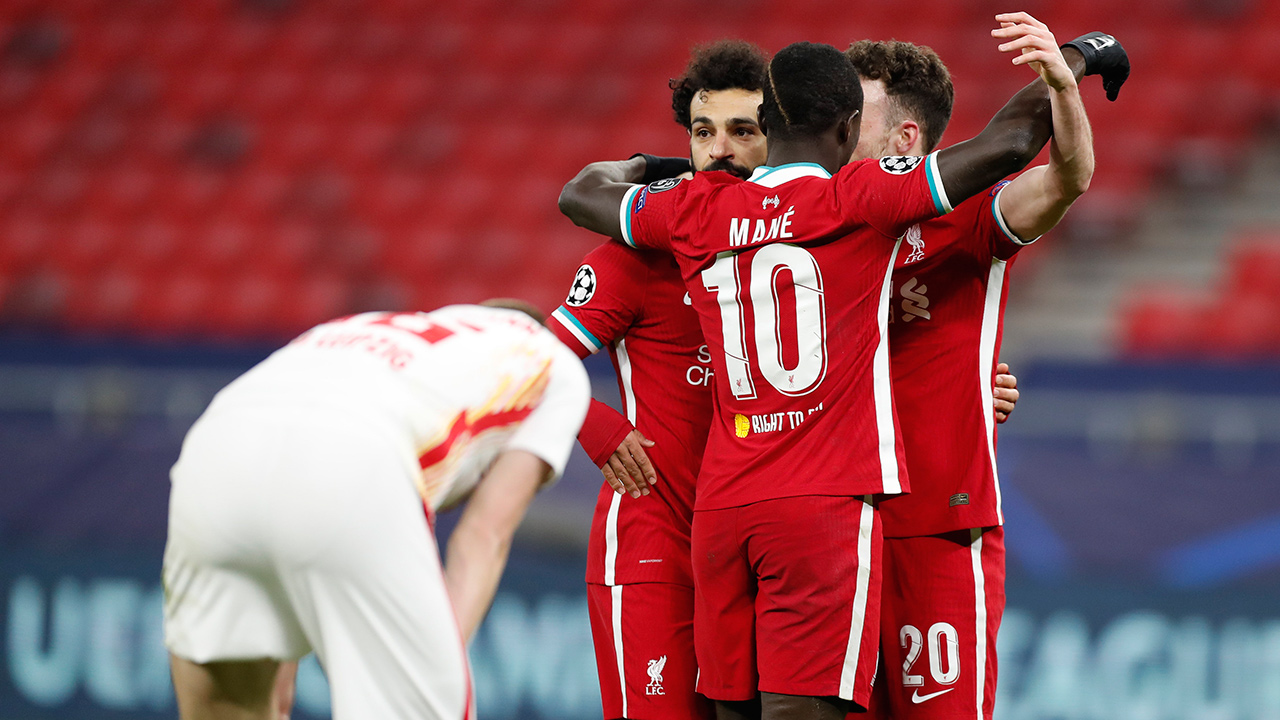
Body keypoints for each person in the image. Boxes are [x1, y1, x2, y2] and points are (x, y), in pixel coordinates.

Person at [558, 15, 1092, 720]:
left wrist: (656, 172)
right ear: (843, 130)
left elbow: (580, 194)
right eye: (701, 133)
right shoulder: (854, 202)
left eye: (741, 130)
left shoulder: (695, 211)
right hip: (820, 509)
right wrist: (1078, 60)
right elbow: (1012, 143)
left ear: (769, 128)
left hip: (729, 509)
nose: (719, 149)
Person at [842, 22, 1122, 720]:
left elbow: (1067, 179)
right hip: (826, 533)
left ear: (905, 140)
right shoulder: (809, 219)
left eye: (856, 113)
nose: (834, 125)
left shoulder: (963, 217)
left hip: (936, 526)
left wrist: (1064, 81)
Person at [162, 301, 590, 720]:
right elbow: (483, 537)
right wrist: (429, 667)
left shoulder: (368, 328)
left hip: (214, 446)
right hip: (354, 461)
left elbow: (294, 441)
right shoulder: (551, 362)